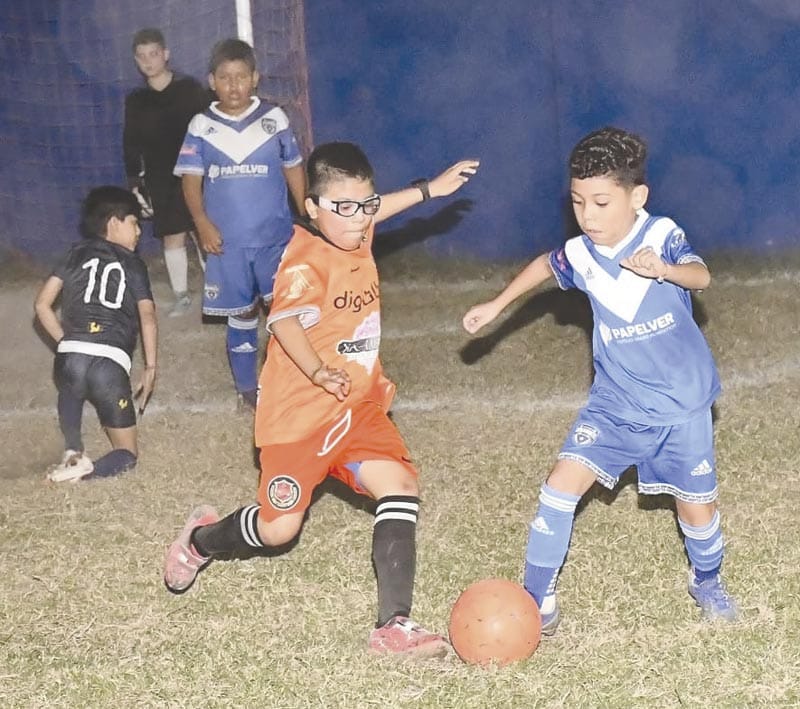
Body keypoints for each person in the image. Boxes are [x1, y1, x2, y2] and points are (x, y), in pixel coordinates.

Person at [164, 142, 480, 656]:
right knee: (279, 529)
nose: (360, 218)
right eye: (345, 208)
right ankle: (200, 541)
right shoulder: (305, 260)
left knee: (400, 487)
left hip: (356, 408)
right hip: (300, 418)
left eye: (366, 205)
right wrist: (316, 370)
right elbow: (285, 322)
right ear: (312, 207)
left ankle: (393, 626)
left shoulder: (356, 228)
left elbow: (377, 208)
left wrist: (430, 190)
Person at [463, 126, 738, 634]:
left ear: (638, 197)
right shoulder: (582, 254)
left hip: (682, 405)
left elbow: (701, 275)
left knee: (697, 509)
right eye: (578, 202)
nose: (588, 215)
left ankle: (707, 581)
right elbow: (545, 264)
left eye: (602, 202)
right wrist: (496, 304)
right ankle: (536, 603)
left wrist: (664, 269)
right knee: (559, 488)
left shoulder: (659, 234)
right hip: (616, 403)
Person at [174, 38, 307, 410]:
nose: (234, 85)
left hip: (274, 238)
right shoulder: (201, 125)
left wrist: (307, 214)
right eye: (225, 77)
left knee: (285, 310)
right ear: (211, 81)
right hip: (227, 243)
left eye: (241, 77)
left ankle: (293, 379)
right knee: (243, 312)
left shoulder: (274, 119)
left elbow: (293, 168)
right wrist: (201, 222)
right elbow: (190, 181)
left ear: (255, 78)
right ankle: (247, 389)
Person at [34, 186, 158, 482]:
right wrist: (151, 366)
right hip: (108, 363)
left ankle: (72, 449)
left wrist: (67, 343)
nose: (139, 231)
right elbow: (148, 317)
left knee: (71, 386)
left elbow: (41, 305)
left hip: (70, 358)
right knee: (127, 454)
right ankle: (86, 473)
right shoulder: (133, 263)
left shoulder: (75, 252)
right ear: (114, 222)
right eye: (134, 223)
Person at [124, 27, 210, 317]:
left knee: (204, 232)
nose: (148, 61)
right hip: (159, 177)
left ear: (166, 54)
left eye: (153, 54)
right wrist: (134, 179)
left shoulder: (190, 89)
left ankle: (219, 292)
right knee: (172, 236)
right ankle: (181, 295)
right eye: (141, 56)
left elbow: (210, 127)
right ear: (136, 61)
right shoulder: (136, 100)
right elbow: (130, 141)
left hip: (195, 173)